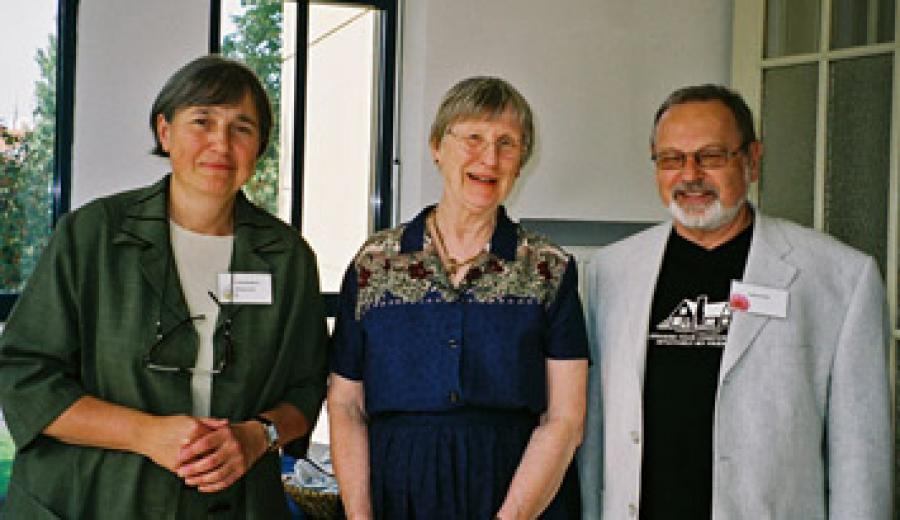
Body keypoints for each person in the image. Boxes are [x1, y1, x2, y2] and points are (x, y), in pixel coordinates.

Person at [0, 55, 328, 518]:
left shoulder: (287, 257)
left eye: (242, 128)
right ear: (165, 131)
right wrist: (144, 434)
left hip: (233, 502)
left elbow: (306, 387)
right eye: (202, 121)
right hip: (91, 498)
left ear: (259, 148)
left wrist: (258, 435)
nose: (221, 143)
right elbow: (25, 375)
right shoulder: (92, 235)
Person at [578, 84, 891, 519]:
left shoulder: (839, 278)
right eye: (671, 159)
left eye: (710, 156)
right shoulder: (610, 273)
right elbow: (593, 437)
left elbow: (861, 455)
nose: (690, 175)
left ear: (752, 161)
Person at [328, 76, 589, 519]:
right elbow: (346, 403)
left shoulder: (549, 268)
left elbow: (565, 419)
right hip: (398, 491)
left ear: (521, 163)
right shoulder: (374, 264)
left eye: (507, 143)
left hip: (517, 489)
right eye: (473, 138)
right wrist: (359, 515)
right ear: (436, 146)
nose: (489, 158)